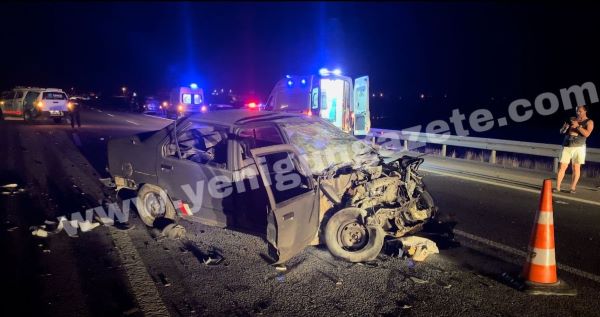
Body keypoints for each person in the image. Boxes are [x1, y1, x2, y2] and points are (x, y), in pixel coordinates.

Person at [555, 105, 594, 193]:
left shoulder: (589, 122)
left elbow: (587, 134)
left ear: (585, 111)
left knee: (576, 168)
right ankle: (557, 187)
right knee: (562, 167)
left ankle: (572, 188)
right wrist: (564, 128)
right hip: (567, 145)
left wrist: (578, 126)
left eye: (580, 111)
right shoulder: (572, 119)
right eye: (577, 111)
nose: (578, 113)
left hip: (579, 147)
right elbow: (561, 131)